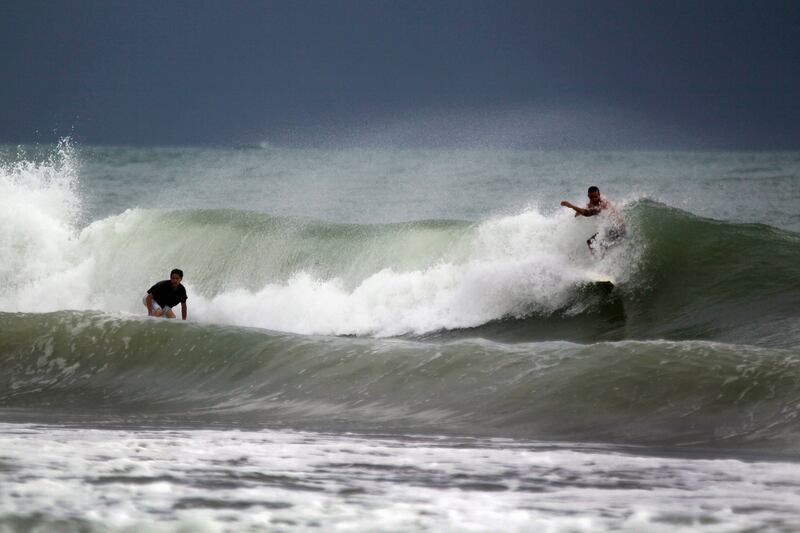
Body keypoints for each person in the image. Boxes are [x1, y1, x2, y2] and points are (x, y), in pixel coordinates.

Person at [561, 186, 626, 255]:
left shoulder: (603, 203)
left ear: (599, 194)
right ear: (588, 196)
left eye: (596, 197)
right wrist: (577, 214)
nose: (594, 199)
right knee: (594, 242)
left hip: (619, 230)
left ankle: (600, 261)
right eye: (592, 198)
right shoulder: (591, 203)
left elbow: (588, 213)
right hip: (610, 229)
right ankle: (600, 260)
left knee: (592, 242)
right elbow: (587, 208)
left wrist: (572, 206)